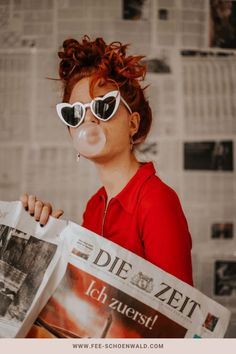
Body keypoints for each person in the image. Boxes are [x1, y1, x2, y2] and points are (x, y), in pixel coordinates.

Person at [20, 36, 193, 286]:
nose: (89, 121)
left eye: (103, 107)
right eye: (75, 113)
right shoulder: (94, 206)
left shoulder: (156, 201)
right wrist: (44, 236)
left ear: (132, 124)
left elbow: (179, 320)